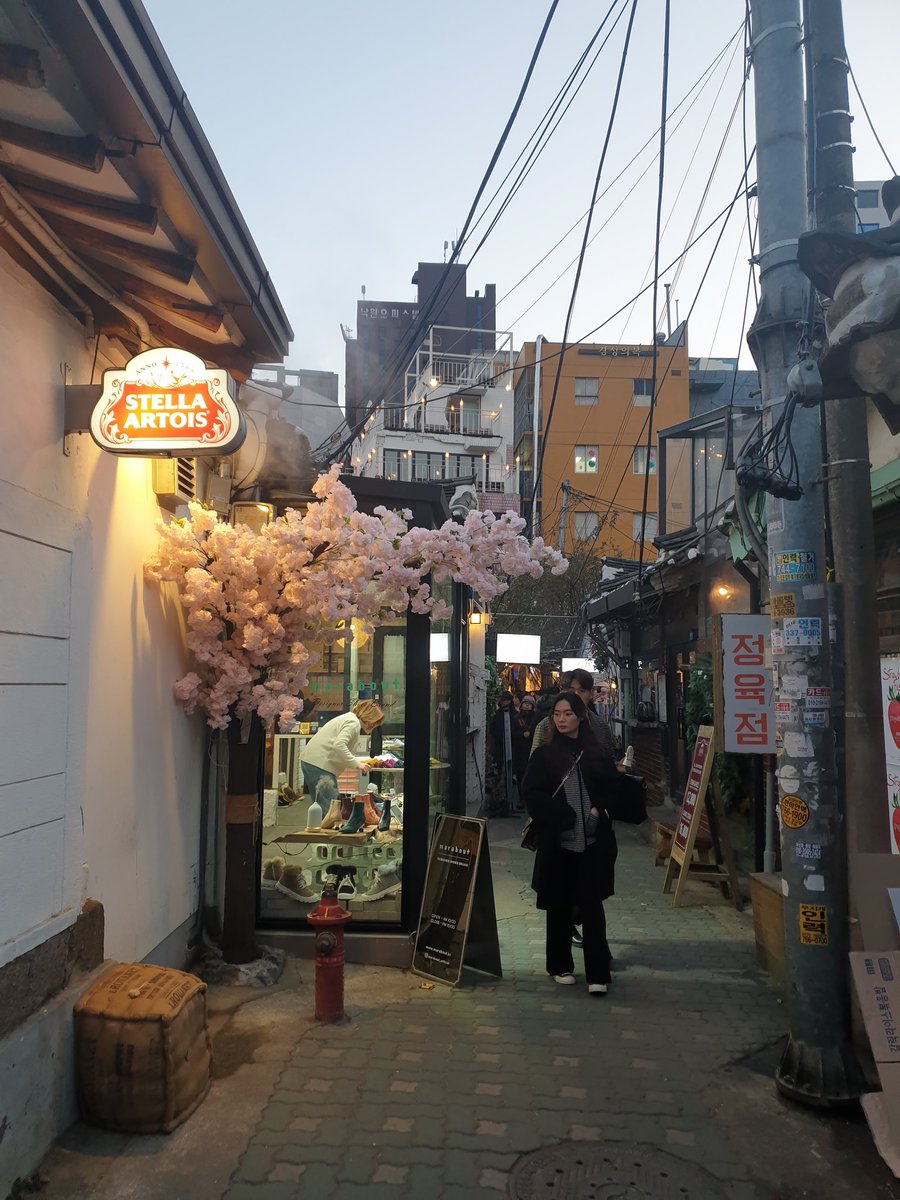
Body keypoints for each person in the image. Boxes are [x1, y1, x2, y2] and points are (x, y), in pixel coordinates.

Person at [521, 690, 622, 995]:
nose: (561, 719)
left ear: (580, 716)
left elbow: (612, 790)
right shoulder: (544, 755)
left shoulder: (596, 753)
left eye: (567, 714)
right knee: (559, 905)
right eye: (557, 714)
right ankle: (559, 965)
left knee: (592, 907)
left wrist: (598, 811)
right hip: (558, 843)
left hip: (592, 843)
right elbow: (532, 794)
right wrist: (561, 815)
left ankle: (598, 973)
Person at [299, 699, 385, 812]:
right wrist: (357, 763)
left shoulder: (350, 719)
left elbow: (339, 745)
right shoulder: (353, 723)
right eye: (375, 722)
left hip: (316, 762)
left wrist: (356, 762)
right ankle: (326, 823)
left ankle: (324, 822)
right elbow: (339, 745)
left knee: (327, 806)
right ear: (370, 718)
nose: (374, 726)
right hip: (319, 764)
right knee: (329, 809)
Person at [530, 668, 617, 762]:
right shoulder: (545, 726)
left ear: (591, 693)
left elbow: (608, 762)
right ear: (561, 692)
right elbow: (534, 765)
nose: (576, 695)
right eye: (571, 691)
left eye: (582, 691)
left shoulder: (600, 726)